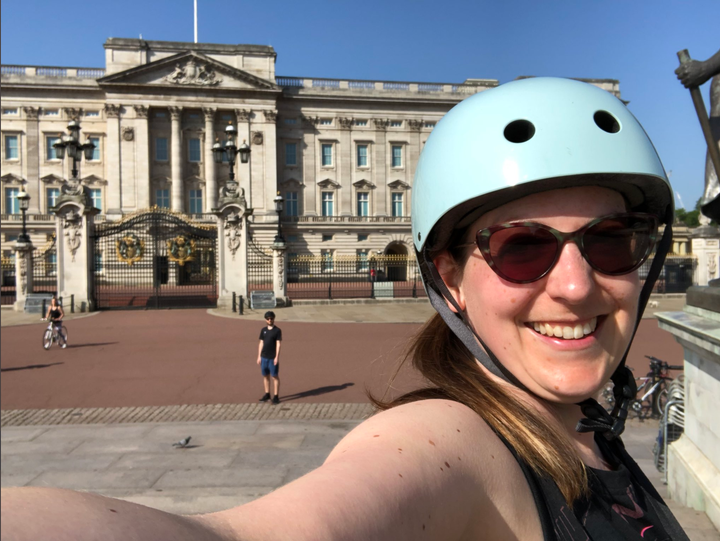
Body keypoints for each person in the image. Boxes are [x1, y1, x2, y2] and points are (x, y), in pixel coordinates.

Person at [1, 77, 689, 540]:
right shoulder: (454, 443)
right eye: (520, 247)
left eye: (611, 241)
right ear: (448, 278)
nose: (574, 284)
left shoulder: (594, 431)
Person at [257, 310, 282, 405]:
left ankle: (276, 396)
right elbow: (261, 343)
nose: (270, 320)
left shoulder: (277, 331)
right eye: (268, 319)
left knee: (274, 376)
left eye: (271, 318)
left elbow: (278, 344)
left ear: (274, 319)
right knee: (265, 376)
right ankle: (267, 394)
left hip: (272, 358)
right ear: (265, 320)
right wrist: (258, 356)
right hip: (264, 357)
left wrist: (276, 357)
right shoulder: (263, 330)